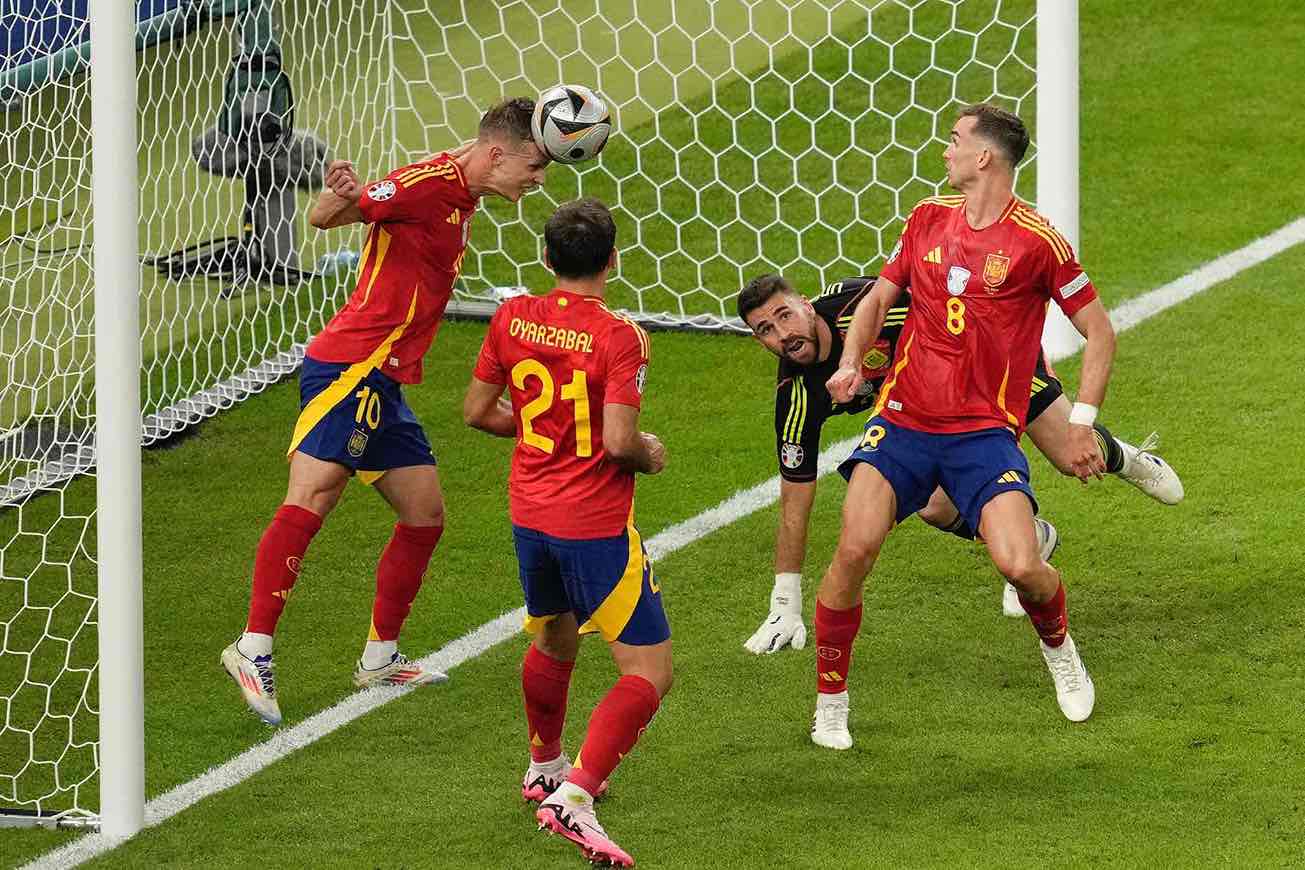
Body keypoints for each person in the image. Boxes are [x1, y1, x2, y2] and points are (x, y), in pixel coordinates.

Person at [221, 97, 553, 726]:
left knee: (424, 515)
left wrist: (350, 196)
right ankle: (253, 646)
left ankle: (380, 657)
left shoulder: (462, 189)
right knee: (312, 495)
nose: (538, 179)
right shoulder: (428, 185)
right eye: (534, 165)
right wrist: (340, 194)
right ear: (497, 153)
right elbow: (324, 217)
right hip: (352, 365)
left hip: (386, 379)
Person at [811, 102, 1117, 750]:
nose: (944, 151)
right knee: (853, 547)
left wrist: (1082, 421)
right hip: (904, 418)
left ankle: (1060, 651)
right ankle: (830, 700)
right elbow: (878, 297)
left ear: (984, 157)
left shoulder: (1038, 241)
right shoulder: (925, 218)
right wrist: (847, 363)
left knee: (1020, 565)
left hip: (982, 432)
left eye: (954, 141)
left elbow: (1099, 331)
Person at [738, 274, 1183, 653]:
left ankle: (1127, 458)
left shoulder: (872, 307)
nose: (782, 334)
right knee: (931, 503)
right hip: (931, 409)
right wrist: (785, 603)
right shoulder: (796, 396)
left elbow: (956, 309)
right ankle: (1033, 537)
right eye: (765, 330)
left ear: (806, 305)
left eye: (784, 315)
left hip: (990, 356)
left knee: (1071, 455)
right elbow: (794, 501)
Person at [464, 198, 668, 868]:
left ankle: (545, 766)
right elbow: (615, 442)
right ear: (612, 258)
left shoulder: (511, 316)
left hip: (529, 513)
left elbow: (476, 411)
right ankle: (572, 798)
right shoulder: (619, 335)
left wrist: (540, 438)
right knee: (649, 671)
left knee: (553, 633)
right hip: (594, 524)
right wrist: (648, 452)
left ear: (546, 258)